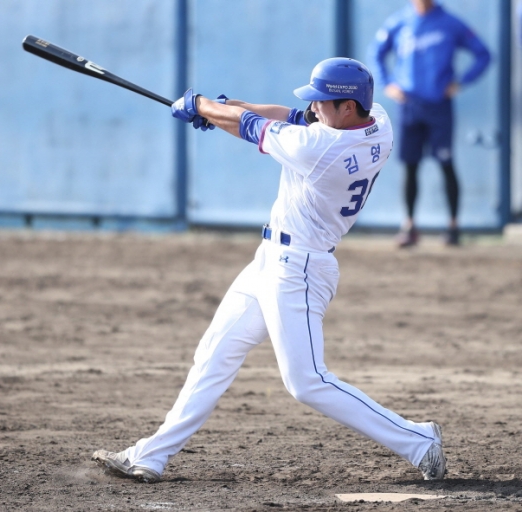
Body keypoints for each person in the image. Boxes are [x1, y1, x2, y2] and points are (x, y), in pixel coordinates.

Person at [92, 57, 446, 483]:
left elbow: (252, 129)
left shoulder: (320, 149)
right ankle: (151, 455)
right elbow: (281, 116)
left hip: (299, 268)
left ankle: (418, 440)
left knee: (306, 382)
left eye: (323, 102)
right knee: (213, 355)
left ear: (347, 107)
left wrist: (203, 105)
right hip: (271, 261)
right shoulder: (378, 122)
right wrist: (222, 107)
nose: (314, 107)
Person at [370, 0, 491, 247]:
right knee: (410, 166)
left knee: (446, 163)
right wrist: (388, 84)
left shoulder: (450, 23)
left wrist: (461, 81)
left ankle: (453, 227)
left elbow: (483, 54)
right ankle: (409, 226)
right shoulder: (399, 21)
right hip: (409, 106)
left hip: (439, 107)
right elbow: (376, 52)